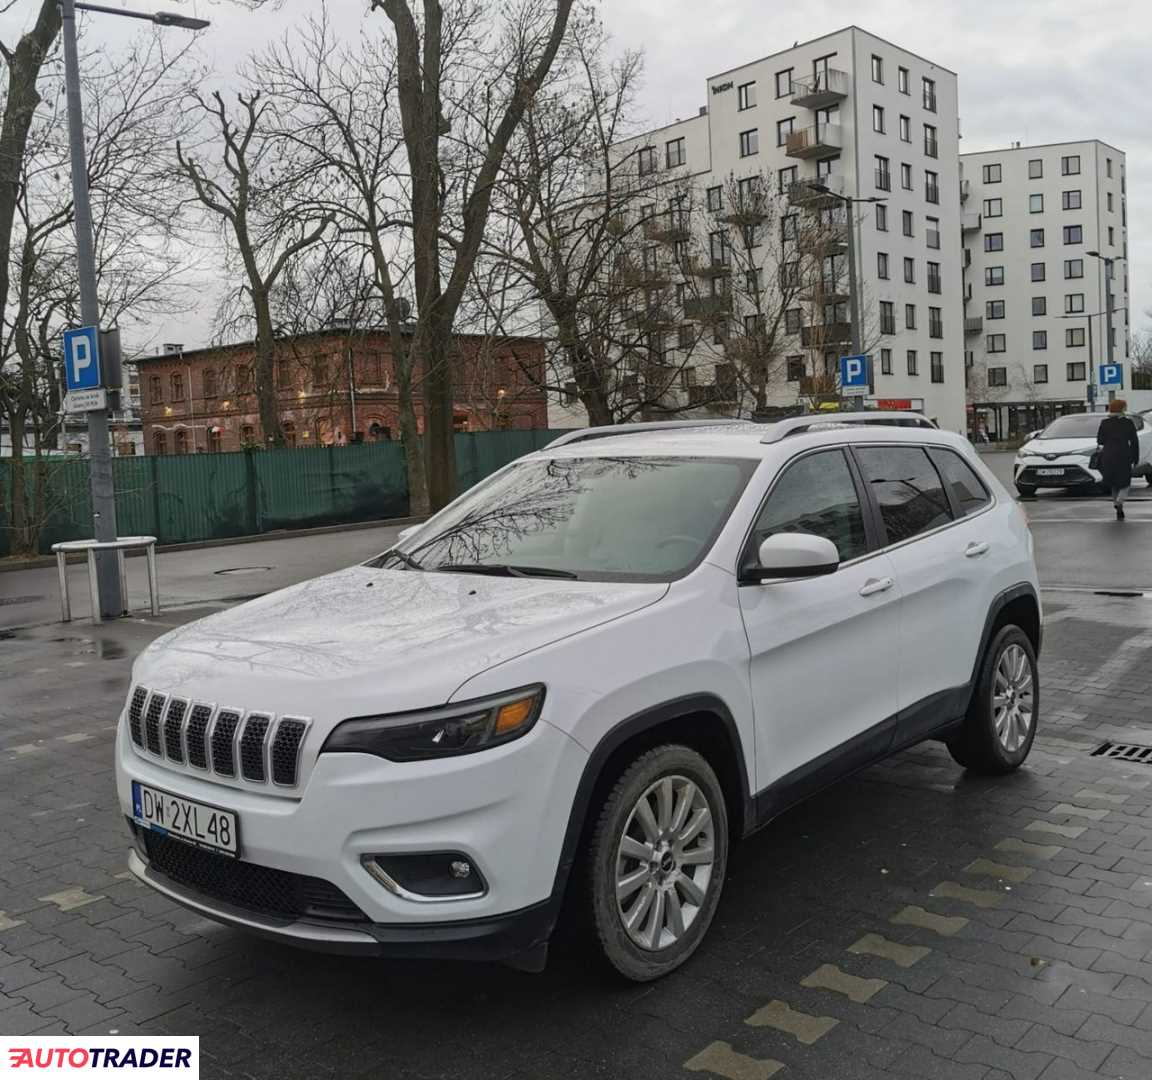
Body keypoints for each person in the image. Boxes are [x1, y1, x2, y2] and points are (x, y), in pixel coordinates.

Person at [1097, 399, 1140, 520]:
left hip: (1108, 455)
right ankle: (1119, 502)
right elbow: (1134, 441)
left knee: (1114, 483)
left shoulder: (1104, 422)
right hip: (1123, 455)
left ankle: (1117, 504)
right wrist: (1135, 458)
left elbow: (1100, 440)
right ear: (1122, 409)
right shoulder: (1128, 423)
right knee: (1125, 482)